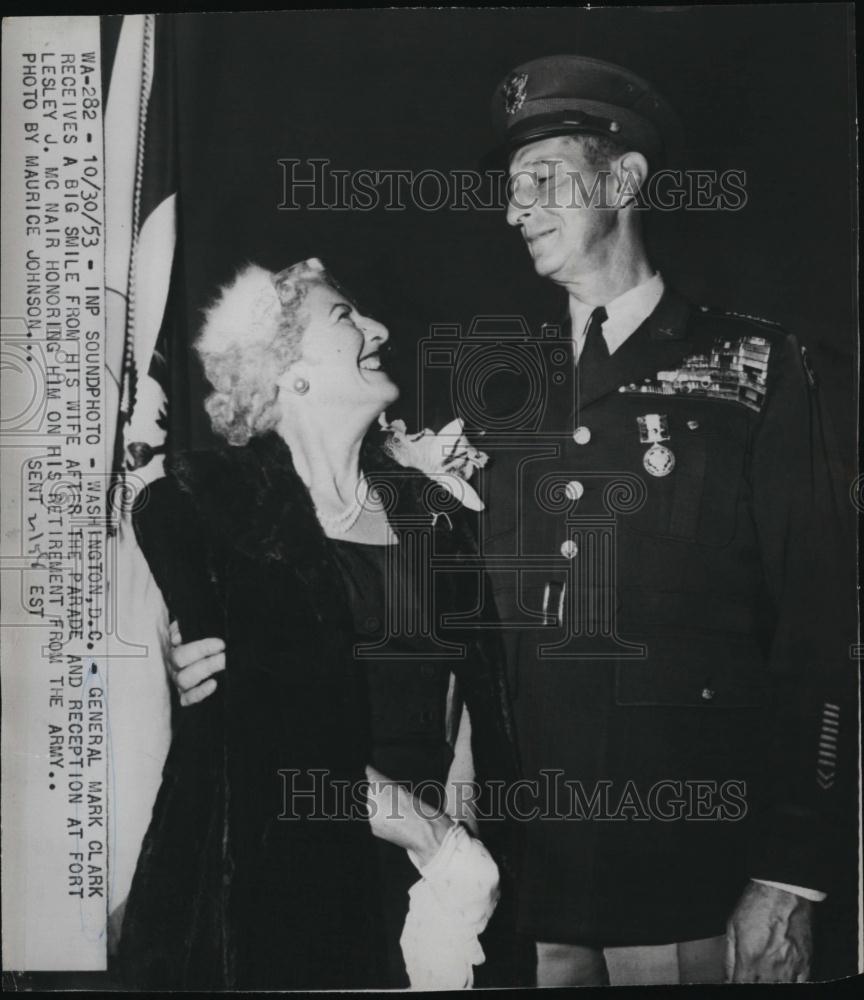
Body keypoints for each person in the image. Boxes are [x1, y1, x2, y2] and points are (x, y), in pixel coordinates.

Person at [475, 54, 855, 985]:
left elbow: (821, 630)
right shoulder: (503, 389)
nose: (516, 208)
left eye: (541, 179)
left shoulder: (761, 369)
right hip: (533, 870)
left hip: (694, 866)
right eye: (510, 188)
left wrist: (790, 875)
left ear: (625, 179)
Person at [118, 258, 523, 989]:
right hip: (286, 874)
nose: (380, 330)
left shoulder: (430, 511)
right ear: (285, 369)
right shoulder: (208, 505)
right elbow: (260, 726)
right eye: (346, 319)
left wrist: (458, 878)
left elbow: (471, 704)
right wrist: (432, 840)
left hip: (436, 874)